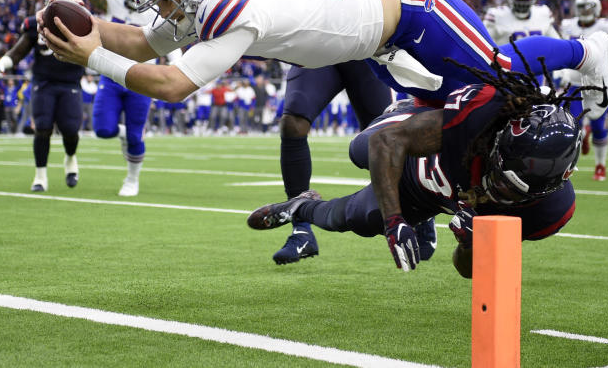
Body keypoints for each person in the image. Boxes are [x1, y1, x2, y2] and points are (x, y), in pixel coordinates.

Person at [39, 0, 608, 140]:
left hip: (409, 5)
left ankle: (590, 52)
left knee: (495, 68)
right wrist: (78, 31)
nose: (161, 10)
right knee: (455, 113)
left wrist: (91, 56)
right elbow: (141, 43)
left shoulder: (232, 6)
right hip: (377, 24)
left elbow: (169, 84)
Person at [247, 58, 581, 275]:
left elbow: (469, 271)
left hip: (430, 195)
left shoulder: (549, 211)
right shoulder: (482, 116)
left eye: (509, 188)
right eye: (498, 170)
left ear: (545, 189)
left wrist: (470, 242)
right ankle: (404, 113)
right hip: (420, 150)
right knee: (360, 149)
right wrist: (394, 223)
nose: (495, 187)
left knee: (357, 219)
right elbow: (386, 143)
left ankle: (301, 208)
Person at [272, 0, 417, 265]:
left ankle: (416, 216)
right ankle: (301, 228)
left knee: (380, 141)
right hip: (316, 42)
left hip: (362, 43)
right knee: (293, 122)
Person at [45, 0, 159, 197]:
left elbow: (172, 41)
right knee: (103, 129)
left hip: (143, 76)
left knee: (136, 136)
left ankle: (132, 178)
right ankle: (124, 135)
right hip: (112, 73)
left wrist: (176, 62)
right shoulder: (113, 0)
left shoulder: (157, 10)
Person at [0, 0, 85, 191]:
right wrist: (3, 62)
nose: (58, 1)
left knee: (70, 130)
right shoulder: (37, 23)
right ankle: (40, 176)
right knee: (42, 128)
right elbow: (19, 50)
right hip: (44, 82)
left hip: (70, 81)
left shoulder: (81, 22)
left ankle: (70, 158)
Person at [559, 0, 608, 181]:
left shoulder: (606, 27)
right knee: (571, 126)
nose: (586, 10)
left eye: (589, 7)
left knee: (598, 125)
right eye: (582, 7)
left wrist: (600, 63)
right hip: (573, 83)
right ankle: (568, 166)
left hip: (598, 84)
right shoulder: (568, 26)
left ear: (596, 8)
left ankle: (600, 166)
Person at [483, 0, 560, 45]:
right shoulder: (497, 16)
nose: (522, 2)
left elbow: (557, 44)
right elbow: (485, 44)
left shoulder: (542, 14)